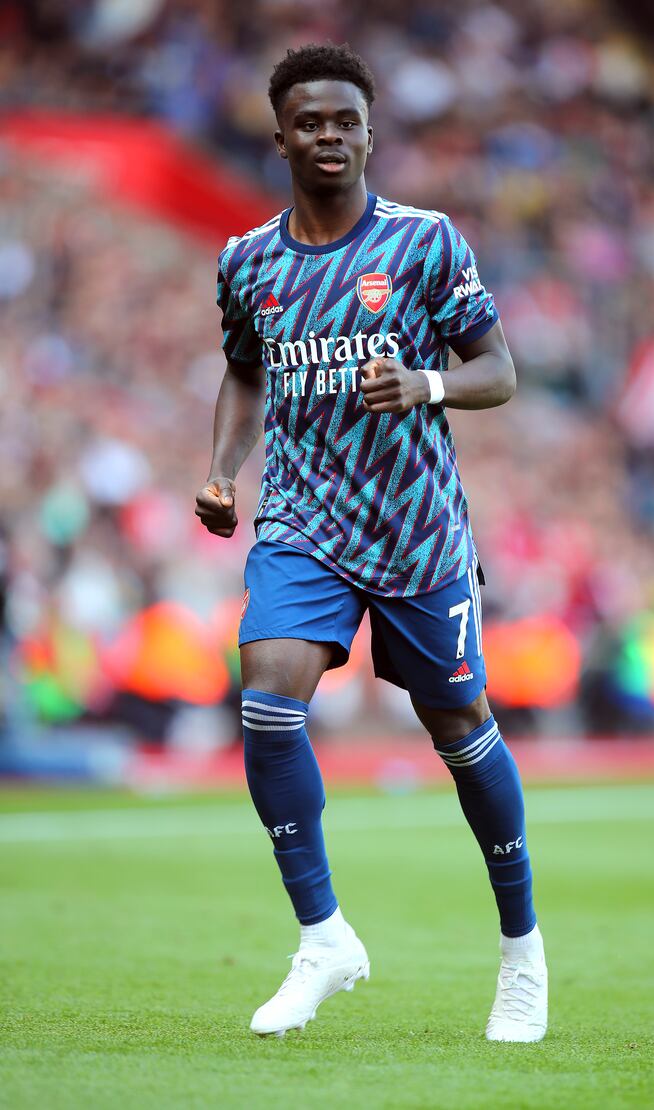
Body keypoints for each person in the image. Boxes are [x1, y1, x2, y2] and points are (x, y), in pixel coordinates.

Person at [195, 42, 547, 1043]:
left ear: (368, 132)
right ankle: (322, 939)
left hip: (415, 526)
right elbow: (245, 372)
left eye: (344, 120)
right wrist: (223, 470)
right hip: (301, 520)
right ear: (279, 137)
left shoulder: (425, 244)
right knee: (265, 692)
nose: (328, 136)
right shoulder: (246, 262)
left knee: (455, 724)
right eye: (308, 121)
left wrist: (426, 383)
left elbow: (499, 369)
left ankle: (520, 951)